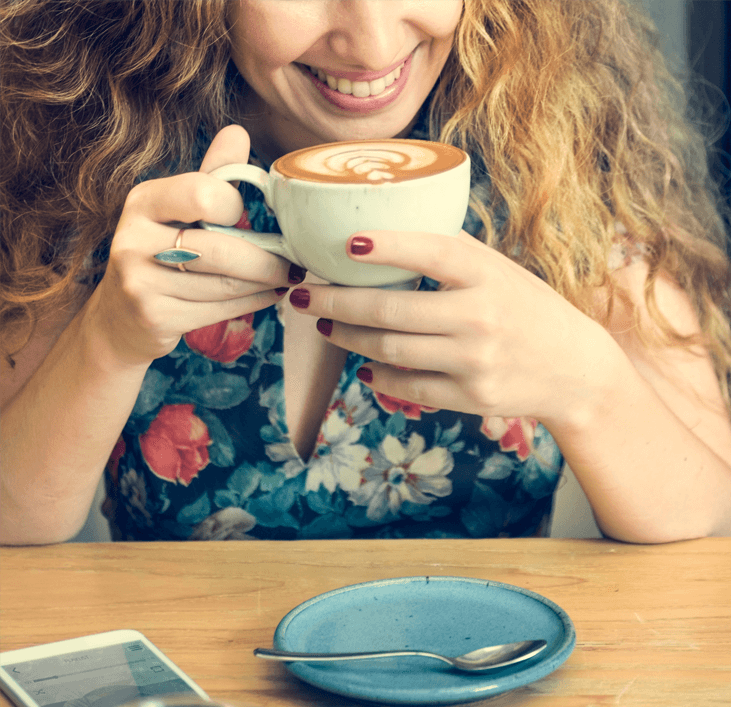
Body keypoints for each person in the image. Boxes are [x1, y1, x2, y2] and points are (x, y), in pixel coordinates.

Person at [2, 0, 731, 545]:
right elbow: (14, 526)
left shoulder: (559, 163)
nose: (373, 43)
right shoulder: (88, 170)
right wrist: (107, 340)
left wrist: (588, 383)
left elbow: (705, 515)